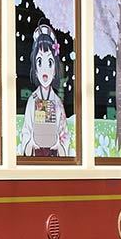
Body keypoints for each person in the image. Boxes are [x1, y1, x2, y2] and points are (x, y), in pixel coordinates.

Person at [22, 24, 71, 156]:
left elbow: (64, 134)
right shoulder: (32, 100)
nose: (44, 70)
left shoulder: (57, 102)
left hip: (54, 159)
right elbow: (26, 131)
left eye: (49, 62)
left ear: (55, 69)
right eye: (39, 62)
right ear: (35, 68)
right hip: (35, 158)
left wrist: (58, 145)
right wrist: (31, 141)